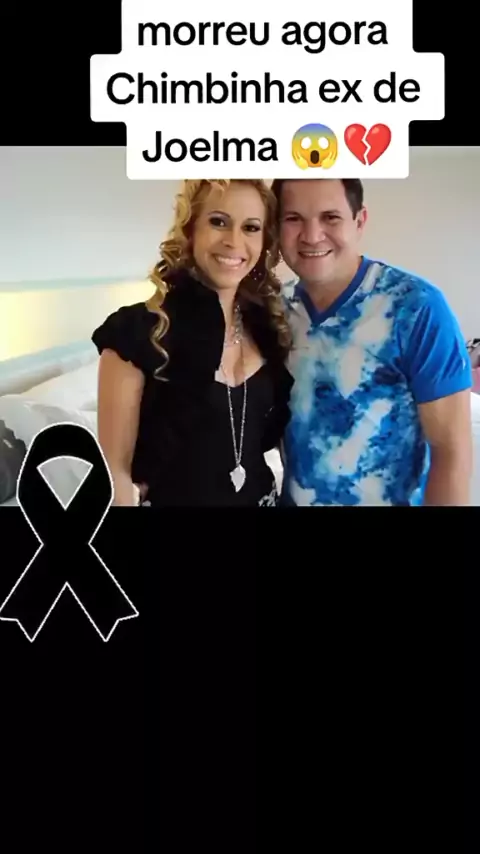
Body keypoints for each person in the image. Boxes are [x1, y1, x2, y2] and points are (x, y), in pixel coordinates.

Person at [271, 177, 473, 506]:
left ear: (359, 221)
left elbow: (451, 451)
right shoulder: (274, 312)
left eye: (330, 217)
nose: (311, 235)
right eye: (293, 218)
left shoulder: (415, 307)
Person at [91, 179, 293, 507]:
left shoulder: (269, 328)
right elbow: (116, 477)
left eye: (251, 227)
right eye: (218, 221)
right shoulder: (137, 333)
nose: (234, 241)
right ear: (191, 229)